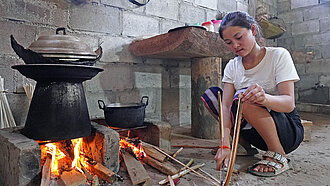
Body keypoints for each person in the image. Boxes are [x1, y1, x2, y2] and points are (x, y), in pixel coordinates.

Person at [202, 11, 304, 177]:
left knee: (245, 96)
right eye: (229, 42)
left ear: (253, 30)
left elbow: (288, 103)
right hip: (254, 132)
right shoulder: (232, 66)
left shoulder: (278, 55)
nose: (235, 45)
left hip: (286, 130)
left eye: (239, 37)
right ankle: (242, 144)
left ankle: (278, 154)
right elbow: (226, 106)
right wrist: (225, 143)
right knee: (213, 95)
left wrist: (264, 98)